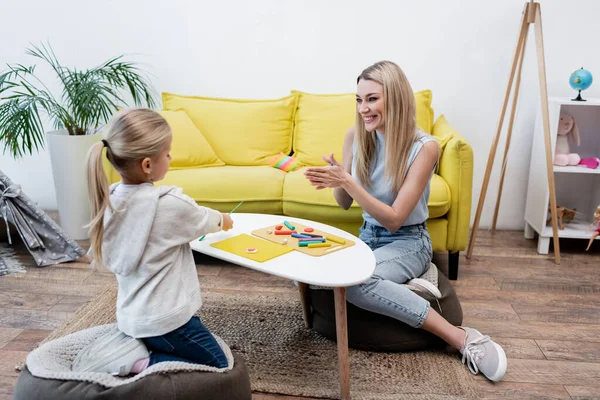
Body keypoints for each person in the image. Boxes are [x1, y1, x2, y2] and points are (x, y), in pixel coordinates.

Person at [304, 61, 507, 382]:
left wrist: (350, 181)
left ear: (395, 98)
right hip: (367, 236)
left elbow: (396, 219)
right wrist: (338, 181)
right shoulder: (355, 136)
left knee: (356, 284)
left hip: (408, 241)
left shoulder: (424, 148)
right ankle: (404, 287)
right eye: (358, 100)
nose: (363, 109)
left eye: (372, 99)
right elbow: (345, 205)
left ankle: (460, 337)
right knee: (311, 263)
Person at [84, 108, 234, 375]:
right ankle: (143, 364)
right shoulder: (168, 206)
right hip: (165, 322)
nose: (170, 157)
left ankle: (141, 347)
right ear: (147, 165)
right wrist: (225, 219)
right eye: (167, 153)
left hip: (132, 317)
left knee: (192, 341)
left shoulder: (110, 199)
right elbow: (206, 220)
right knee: (220, 364)